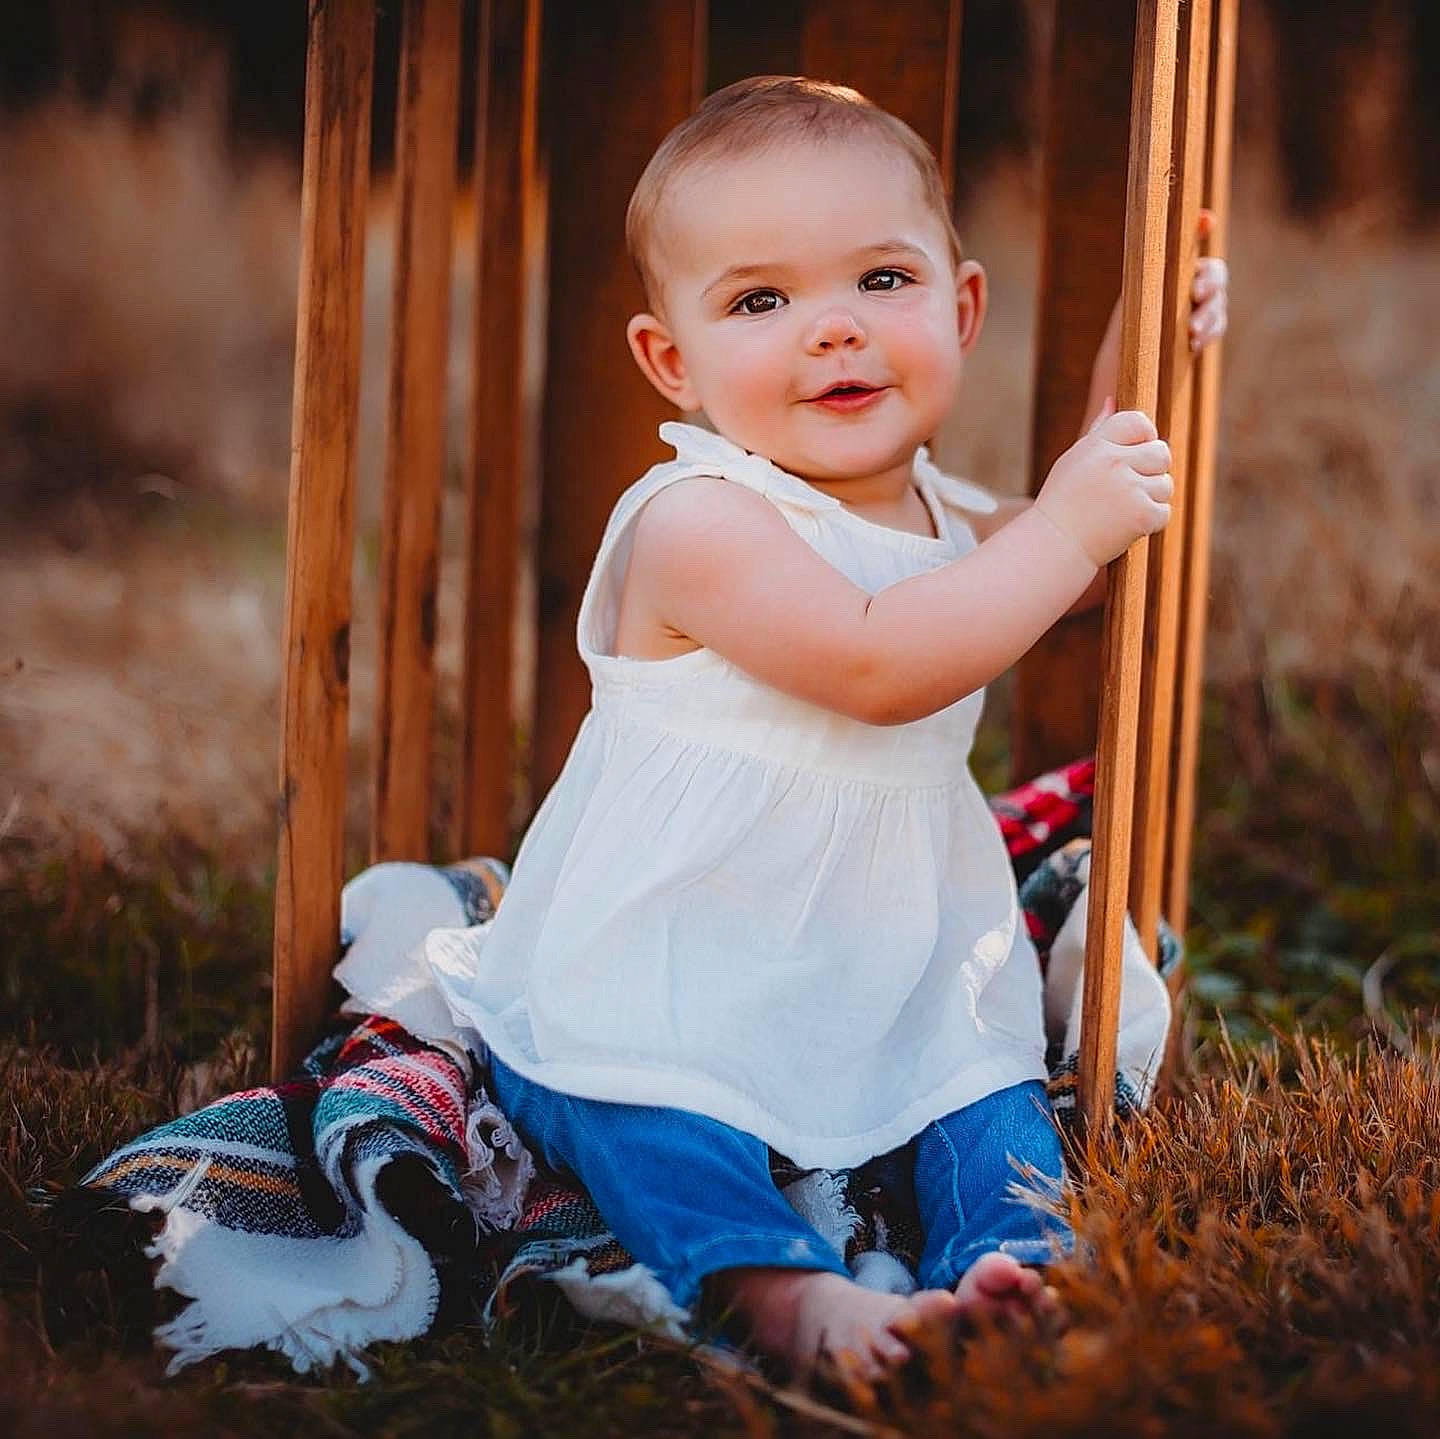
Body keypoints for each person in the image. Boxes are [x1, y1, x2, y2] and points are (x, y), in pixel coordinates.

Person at [413, 76, 1229, 1384]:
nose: (832, 332)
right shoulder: (696, 525)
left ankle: (1005, 1277)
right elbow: (875, 659)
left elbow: (1073, 549)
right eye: (759, 302)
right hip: (668, 965)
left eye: (882, 283)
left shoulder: (942, 515)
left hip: (889, 958)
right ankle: (791, 1300)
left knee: (986, 1096)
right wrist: (1073, 523)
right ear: (670, 362)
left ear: (961, 311)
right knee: (649, 1117)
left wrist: (1148, 344)